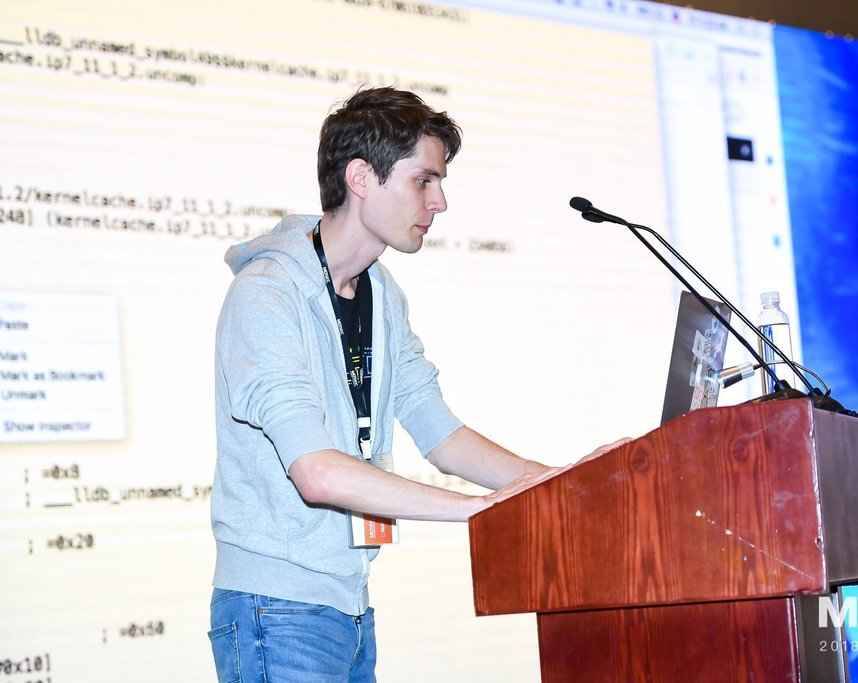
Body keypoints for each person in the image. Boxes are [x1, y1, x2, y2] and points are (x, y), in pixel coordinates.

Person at [207, 86, 624, 682]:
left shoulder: (381, 294)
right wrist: (479, 511)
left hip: (349, 606)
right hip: (275, 609)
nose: (440, 202)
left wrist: (561, 482)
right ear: (360, 178)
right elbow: (317, 472)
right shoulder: (267, 295)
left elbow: (441, 435)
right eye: (423, 181)